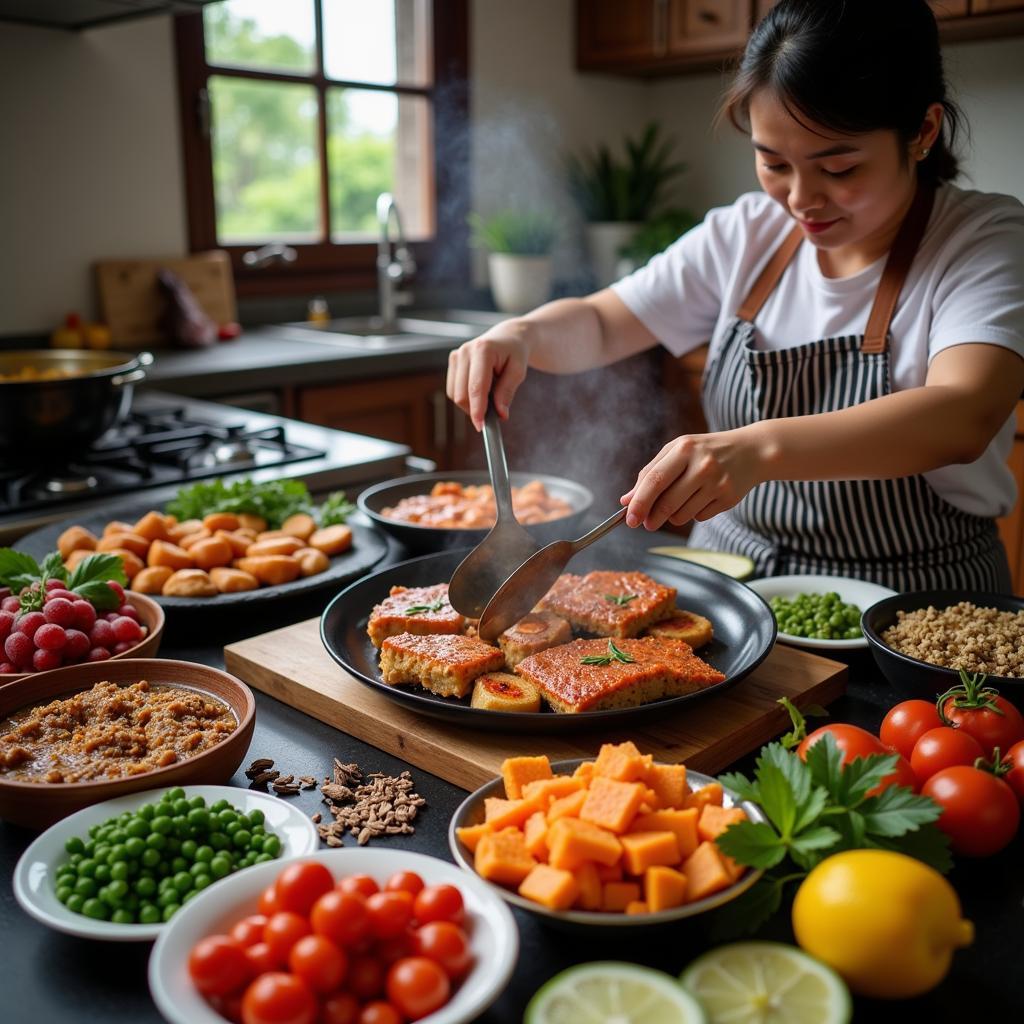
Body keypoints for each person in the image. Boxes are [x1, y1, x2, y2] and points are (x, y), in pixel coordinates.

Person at [446, 0, 1024, 593]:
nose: (802, 199)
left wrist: (758, 449)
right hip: (732, 580)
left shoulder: (982, 239)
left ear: (922, 131)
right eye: (773, 162)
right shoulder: (746, 233)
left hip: (913, 600)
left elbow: (965, 411)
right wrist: (522, 333)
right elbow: (600, 322)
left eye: (840, 168)